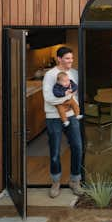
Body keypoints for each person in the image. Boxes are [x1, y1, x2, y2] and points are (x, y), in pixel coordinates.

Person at [42, 46, 84, 197]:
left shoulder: (74, 73)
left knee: (77, 147)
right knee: (55, 152)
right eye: (67, 58)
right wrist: (67, 98)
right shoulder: (50, 75)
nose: (70, 61)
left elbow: (76, 94)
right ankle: (56, 182)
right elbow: (48, 98)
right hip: (53, 117)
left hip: (72, 115)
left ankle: (75, 180)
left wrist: (75, 105)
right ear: (59, 59)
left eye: (72, 58)